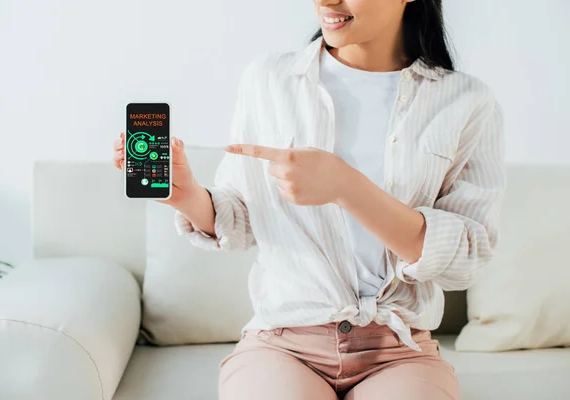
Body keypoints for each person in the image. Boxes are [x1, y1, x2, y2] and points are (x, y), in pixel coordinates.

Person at [114, 0, 505, 398]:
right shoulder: (270, 80)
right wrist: (188, 196)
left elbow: (465, 259)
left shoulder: (466, 102)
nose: (326, 2)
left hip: (399, 351)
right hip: (283, 344)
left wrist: (346, 186)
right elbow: (243, 218)